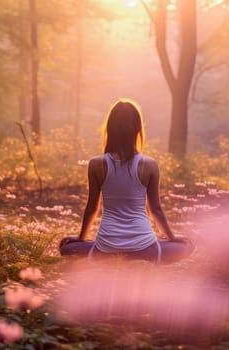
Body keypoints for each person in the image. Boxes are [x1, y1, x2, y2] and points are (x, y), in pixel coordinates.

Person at [59, 98, 194, 264]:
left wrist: (80, 238)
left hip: (106, 250)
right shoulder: (149, 165)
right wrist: (172, 238)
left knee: (65, 247)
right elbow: (155, 209)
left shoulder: (96, 164)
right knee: (187, 245)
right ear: (138, 129)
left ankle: (114, 259)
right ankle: (138, 260)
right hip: (146, 250)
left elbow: (92, 208)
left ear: (109, 129)